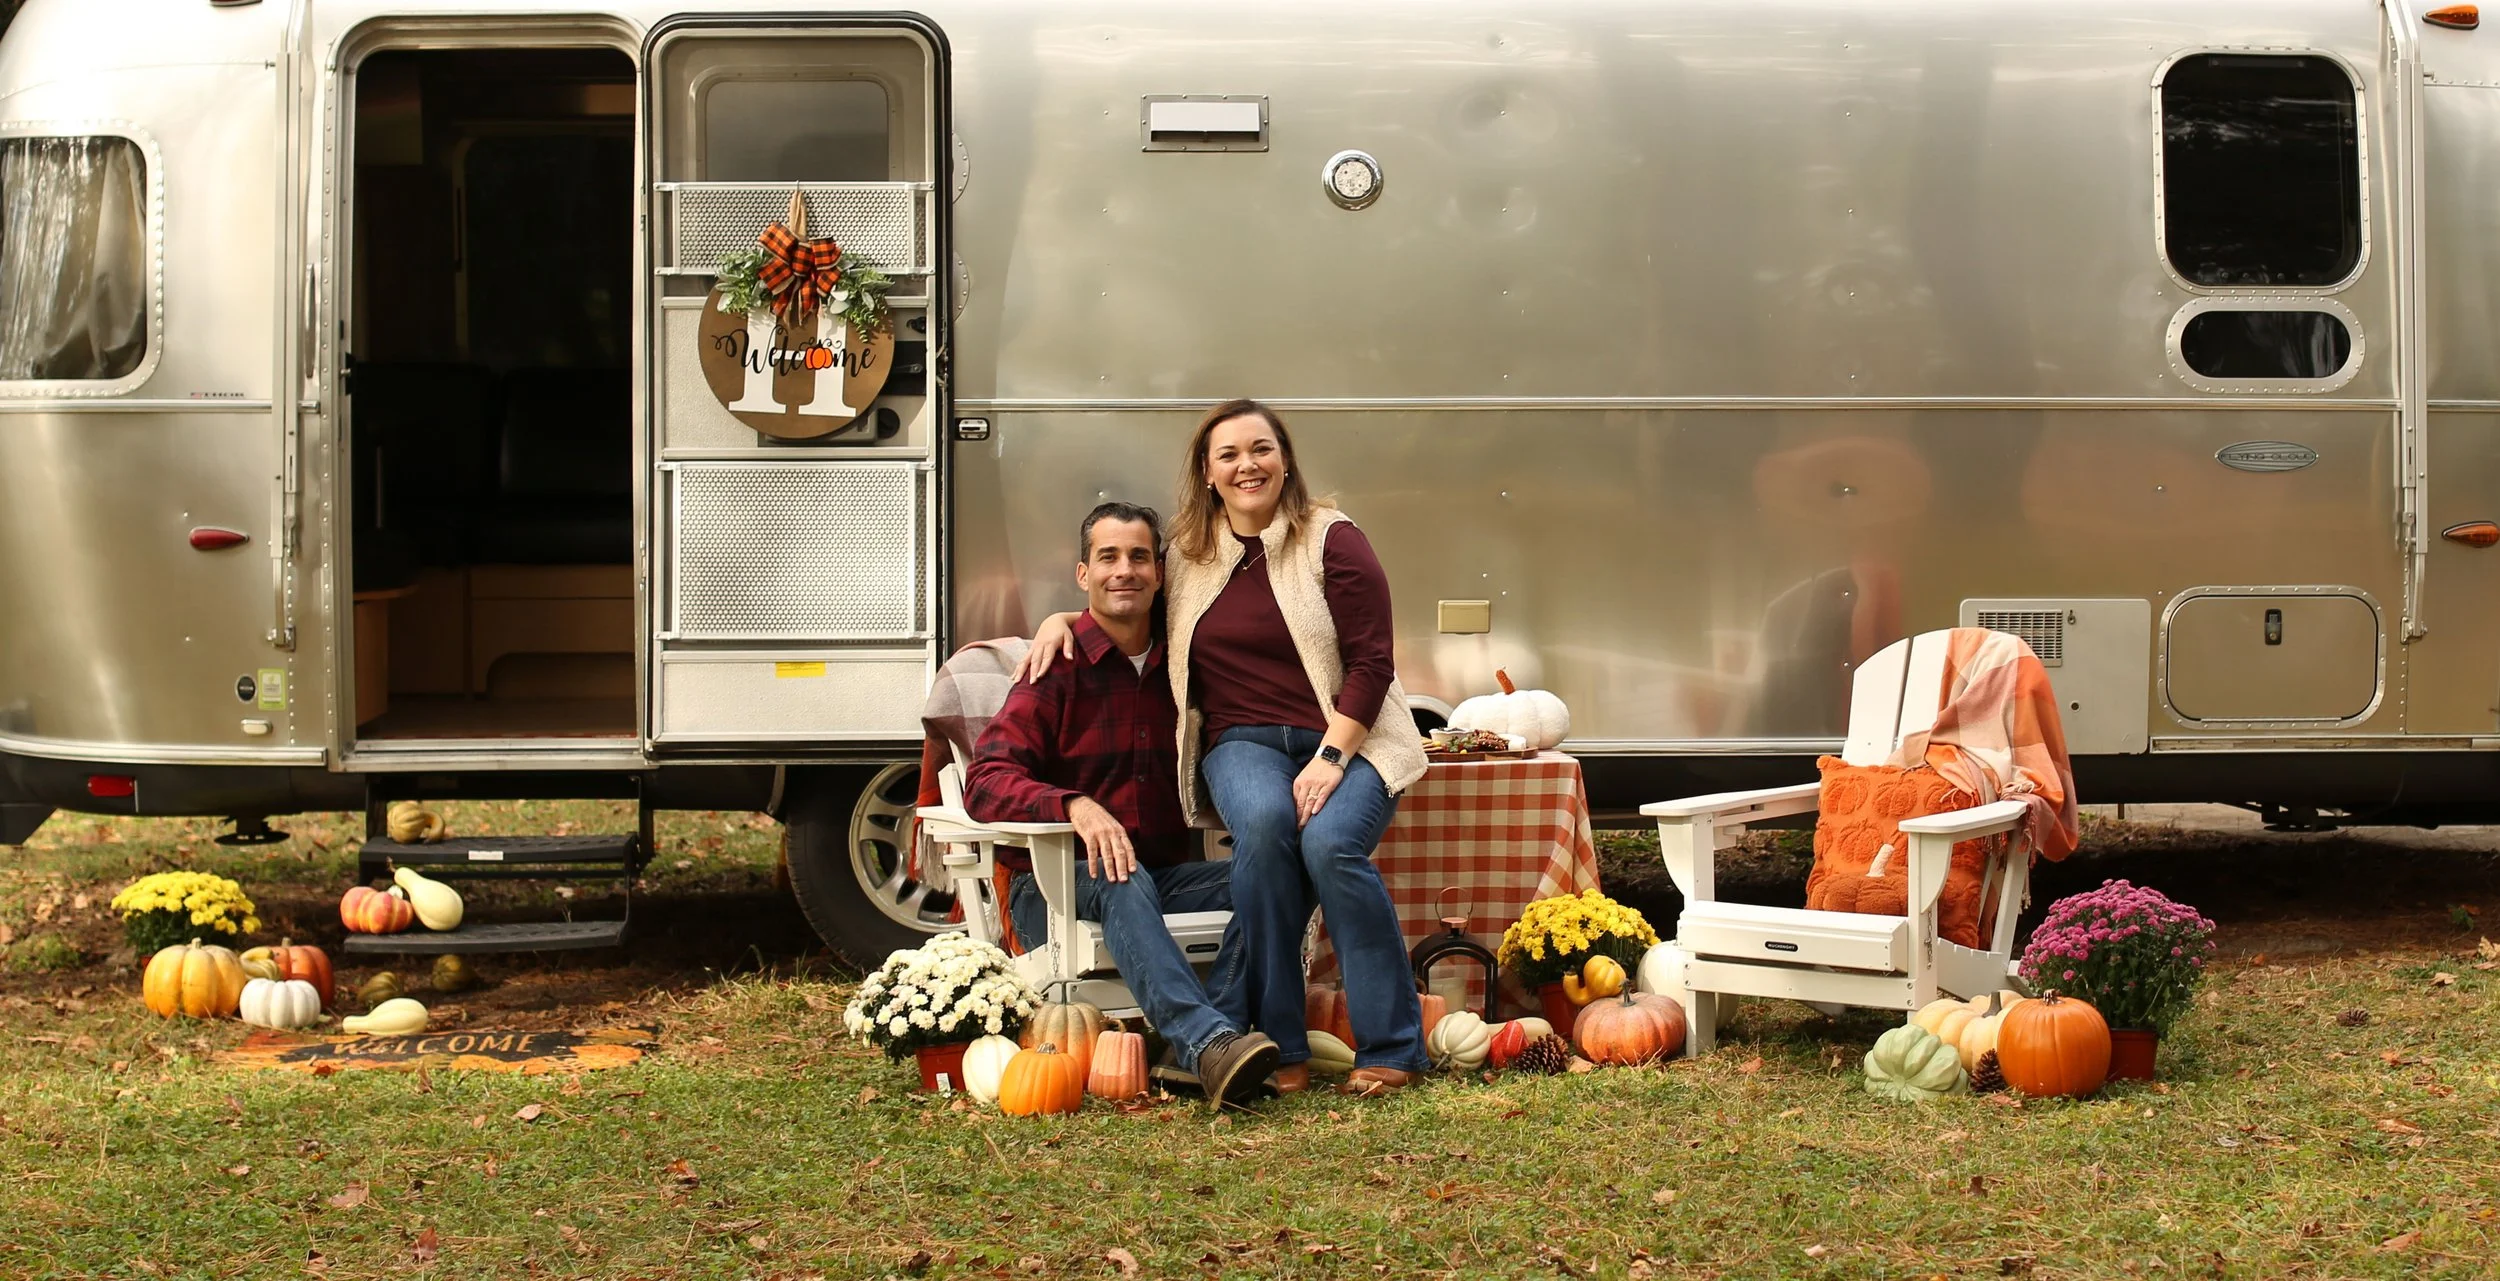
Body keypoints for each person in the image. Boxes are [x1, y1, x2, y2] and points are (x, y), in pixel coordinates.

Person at [1023, 401, 1431, 1097]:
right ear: (1207, 473)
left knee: (1330, 846)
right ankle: (1280, 1044)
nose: (1247, 465)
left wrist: (1331, 760)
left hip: (1350, 739)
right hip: (1242, 743)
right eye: (1229, 454)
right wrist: (1060, 615)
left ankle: (1392, 1044)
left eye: (1261, 449)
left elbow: (1373, 662)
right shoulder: (1188, 556)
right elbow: (1128, 603)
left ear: (1285, 459)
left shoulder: (1333, 539)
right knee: (1267, 831)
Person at [963, 501, 1281, 1109]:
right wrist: (1073, 806)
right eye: (1107, 557)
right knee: (1118, 871)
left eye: (1138, 556)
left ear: (1160, 573)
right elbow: (987, 779)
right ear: (1083, 574)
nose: (1124, 570)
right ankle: (1209, 1044)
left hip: (1163, 877)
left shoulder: (1185, 664)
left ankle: (1214, 1033)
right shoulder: (1055, 667)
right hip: (1054, 887)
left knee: (1277, 873)